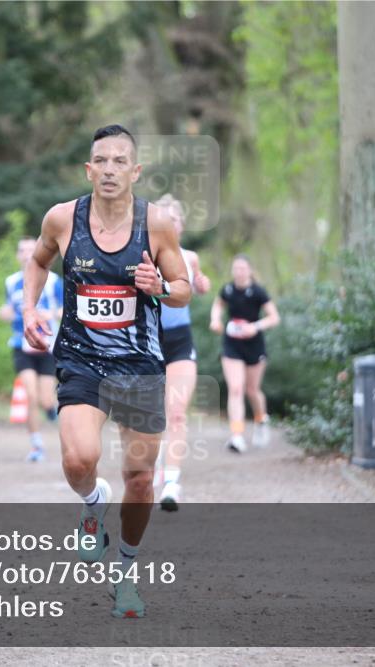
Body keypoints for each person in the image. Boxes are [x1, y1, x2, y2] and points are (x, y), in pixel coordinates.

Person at [22, 124, 191, 618]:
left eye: (120, 161)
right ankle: (94, 502)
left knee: (140, 480)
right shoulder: (62, 219)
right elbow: (38, 262)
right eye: (102, 160)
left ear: (135, 171)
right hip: (81, 359)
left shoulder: (156, 224)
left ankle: (126, 575)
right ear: (89, 170)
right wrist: (30, 310)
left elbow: (183, 288)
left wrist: (159, 287)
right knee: (79, 460)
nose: (110, 169)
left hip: (139, 365)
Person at [153, 194, 211, 511]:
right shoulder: (142, 255)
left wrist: (201, 284)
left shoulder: (190, 257)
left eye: (172, 219)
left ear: (181, 225)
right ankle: (152, 466)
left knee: (176, 412)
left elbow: (197, 287)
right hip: (147, 341)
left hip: (179, 340)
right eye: (161, 218)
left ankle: (171, 482)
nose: (167, 223)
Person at [0, 238, 63, 462]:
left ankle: (51, 409)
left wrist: (50, 314)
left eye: (31, 250)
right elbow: (9, 308)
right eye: (22, 250)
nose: (27, 254)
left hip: (47, 346)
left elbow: (65, 310)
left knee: (46, 399)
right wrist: (4, 312)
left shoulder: (54, 281)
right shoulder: (11, 282)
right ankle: (36, 445)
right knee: (30, 396)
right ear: (18, 256)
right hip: (21, 345)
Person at [209, 254, 280, 453]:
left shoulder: (258, 291)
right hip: (232, 345)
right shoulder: (228, 290)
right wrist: (215, 320)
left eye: (242, 268)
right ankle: (237, 435)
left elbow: (274, 317)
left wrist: (255, 327)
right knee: (236, 388)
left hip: (254, 346)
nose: (239, 272)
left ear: (249, 270)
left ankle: (261, 420)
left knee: (252, 390)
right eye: (236, 269)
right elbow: (218, 305)